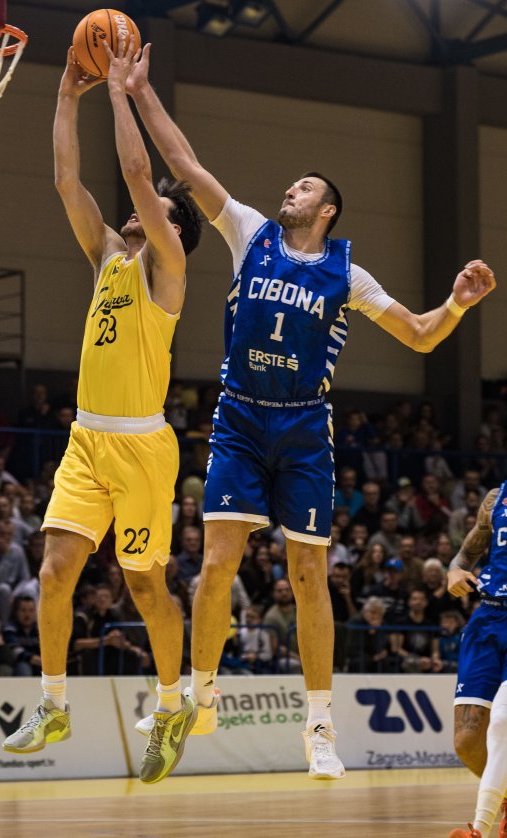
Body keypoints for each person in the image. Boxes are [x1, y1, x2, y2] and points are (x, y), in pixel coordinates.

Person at [125, 40, 496, 780]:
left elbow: (420, 334)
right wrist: (137, 91)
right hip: (239, 416)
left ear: (326, 210)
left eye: (303, 188)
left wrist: (456, 305)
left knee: (307, 574)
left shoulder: (346, 271)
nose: (288, 191)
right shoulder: (249, 232)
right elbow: (189, 166)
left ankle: (320, 726)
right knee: (218, 563)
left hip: (302, 426)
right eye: (290, 186)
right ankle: (199, 698)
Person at [1, 37, 202, 788]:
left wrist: (121, 93)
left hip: (144, 450)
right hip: (87, 439)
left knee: (145, 585)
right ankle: (53, 703)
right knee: (55, 573)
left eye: (154, 214)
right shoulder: (107, 262)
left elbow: (140, 172)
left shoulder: (170, 271)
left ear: (173, 230)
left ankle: (174, 705)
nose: (134, 213)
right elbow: (65, 179)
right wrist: (66, 94)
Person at [447, 483, 507, 838]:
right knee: (467, 742)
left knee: (502, 721)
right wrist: (454, 570)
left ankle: (480, 827)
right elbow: (464, 557)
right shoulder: (495, 498)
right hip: (486, 620)